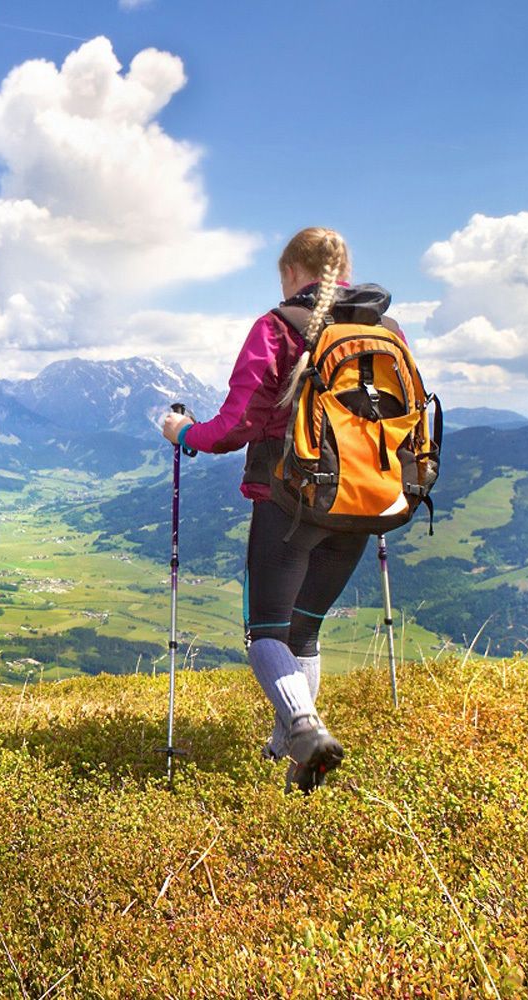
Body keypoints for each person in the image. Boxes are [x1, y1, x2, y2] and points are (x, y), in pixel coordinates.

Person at [162, 227, 402, 794]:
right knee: (306, 629)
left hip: (289, 501)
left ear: (292, 272)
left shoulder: (276, 327)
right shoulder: (385, 330)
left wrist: (183, 432)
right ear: (342, 270)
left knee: (267, 632)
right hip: (365, 501)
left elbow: (237, 424)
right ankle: (286, 750)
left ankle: (304, 728)